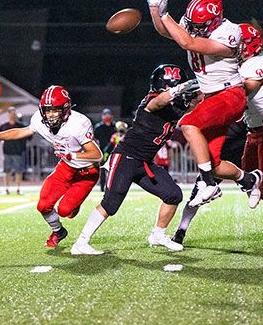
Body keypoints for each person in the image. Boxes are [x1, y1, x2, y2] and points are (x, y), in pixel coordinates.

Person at [173, 25, 263, 248]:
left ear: (251, 44)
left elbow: (245, 89)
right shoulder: (236, 67)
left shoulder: (260, 62)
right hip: (253, 130)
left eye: (240, 44)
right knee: (254, 182)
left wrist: (219, 88)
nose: (236, 48)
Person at [147, 0, 262, 208]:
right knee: (214, 161)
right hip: (212, 98)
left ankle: (208, 184)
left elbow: (188, 42)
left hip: (231, 94)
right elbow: (165, 31)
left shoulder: (230, 33)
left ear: (215, 20)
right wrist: (154, 9)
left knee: (188, 124)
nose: (195, 28)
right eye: (193, 24)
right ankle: (250, 179)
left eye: (201, 25)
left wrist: (166, 13)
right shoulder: (196, 25)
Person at [70, 64, 199, 254]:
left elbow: (199, 102)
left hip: (145, 163)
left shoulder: (177, 108)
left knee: (173, 195)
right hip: (125, 158)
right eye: (176, 87)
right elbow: (160, 101)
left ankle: (158, 234)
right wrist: (180, 89)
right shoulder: (151, 100)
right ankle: (81, 243)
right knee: (111, 203)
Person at [0, 85, 102, 248]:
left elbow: (97, 155)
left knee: (65, 211)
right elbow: (22, 132)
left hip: (87, 172)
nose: (50, 114)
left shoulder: (78, 123)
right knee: (43, 205)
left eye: (55, 110)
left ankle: (73, 205)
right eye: (47, 110)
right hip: (66, 167)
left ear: (65, 109)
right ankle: (58, 231)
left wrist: (74, 155)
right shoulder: (39, 120)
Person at [0, 107, 27, 194]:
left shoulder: (21, 126)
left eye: (13, 113)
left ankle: (18, 188)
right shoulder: (4, 126)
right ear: (8, 114)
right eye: (10, 113)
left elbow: (27, 136)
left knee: (18, 170)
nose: (12, 115)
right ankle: (6, 188)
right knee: (7, 171)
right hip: (7, 151)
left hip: (18, 151)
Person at [93, 108, 116, 191]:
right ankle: (102, 188)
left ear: (112, 116)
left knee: (114, 169)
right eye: (105, 114)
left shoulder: (116, 126)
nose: (107, 116)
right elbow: (94, 139)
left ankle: (112, 187)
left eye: (108, 114)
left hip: (114, 151)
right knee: (103, 169)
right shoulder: (98, 128)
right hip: (103, 151)